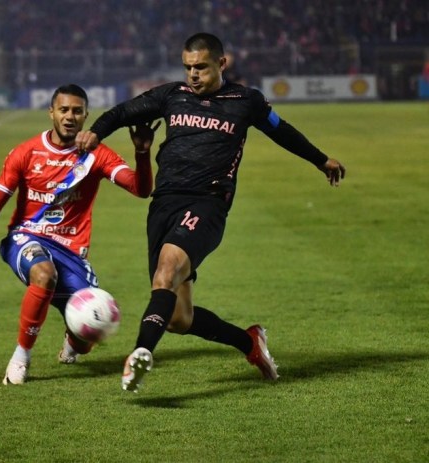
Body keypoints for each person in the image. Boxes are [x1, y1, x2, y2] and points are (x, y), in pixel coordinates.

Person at [75, 32, 346, 392]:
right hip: (164, 204)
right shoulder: (172, 95)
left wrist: (320, 159)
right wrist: (96, 132)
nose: (193, 75)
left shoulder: (245, 101)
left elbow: (282, 132)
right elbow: (124, 112)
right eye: (188, 67)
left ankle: (140, 353)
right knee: (177, 317)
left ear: (222, 63)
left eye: (201, 67)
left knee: (166, 271)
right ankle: (249, 342)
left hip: (208, 203)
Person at [0, 84, 158, 385]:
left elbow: (140, 189)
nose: (70, 117)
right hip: (26, 237)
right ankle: (21, 358)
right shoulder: (26, 153)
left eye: (77, 111)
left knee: (90, 332)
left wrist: (142, 154)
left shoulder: (96, 155)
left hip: (71, 250)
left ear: (86, 116)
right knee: (44, 275)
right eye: (64, 110)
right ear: (51, 112)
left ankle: (72, 340)